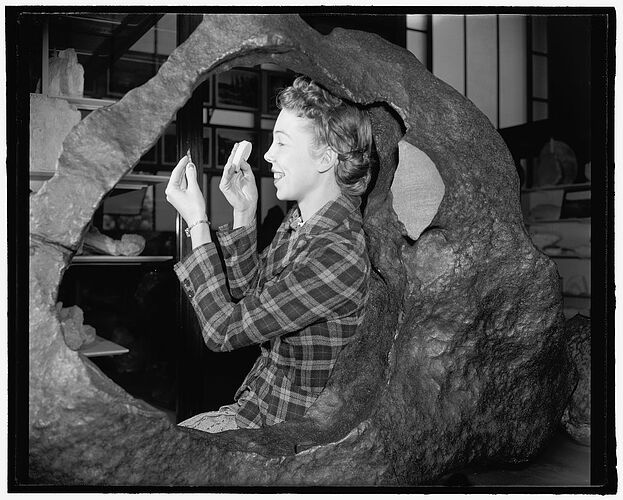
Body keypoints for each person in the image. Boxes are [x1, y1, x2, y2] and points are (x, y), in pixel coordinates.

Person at [165, 76, 373, 432]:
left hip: (281, 435)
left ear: (326, 157)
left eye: (282, 143)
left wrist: (197, 223)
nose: (267, 155)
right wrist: (245, 213)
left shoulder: (337, 252)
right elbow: (251, 296)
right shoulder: (303, 223)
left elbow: (223, 330)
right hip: (254, 410)